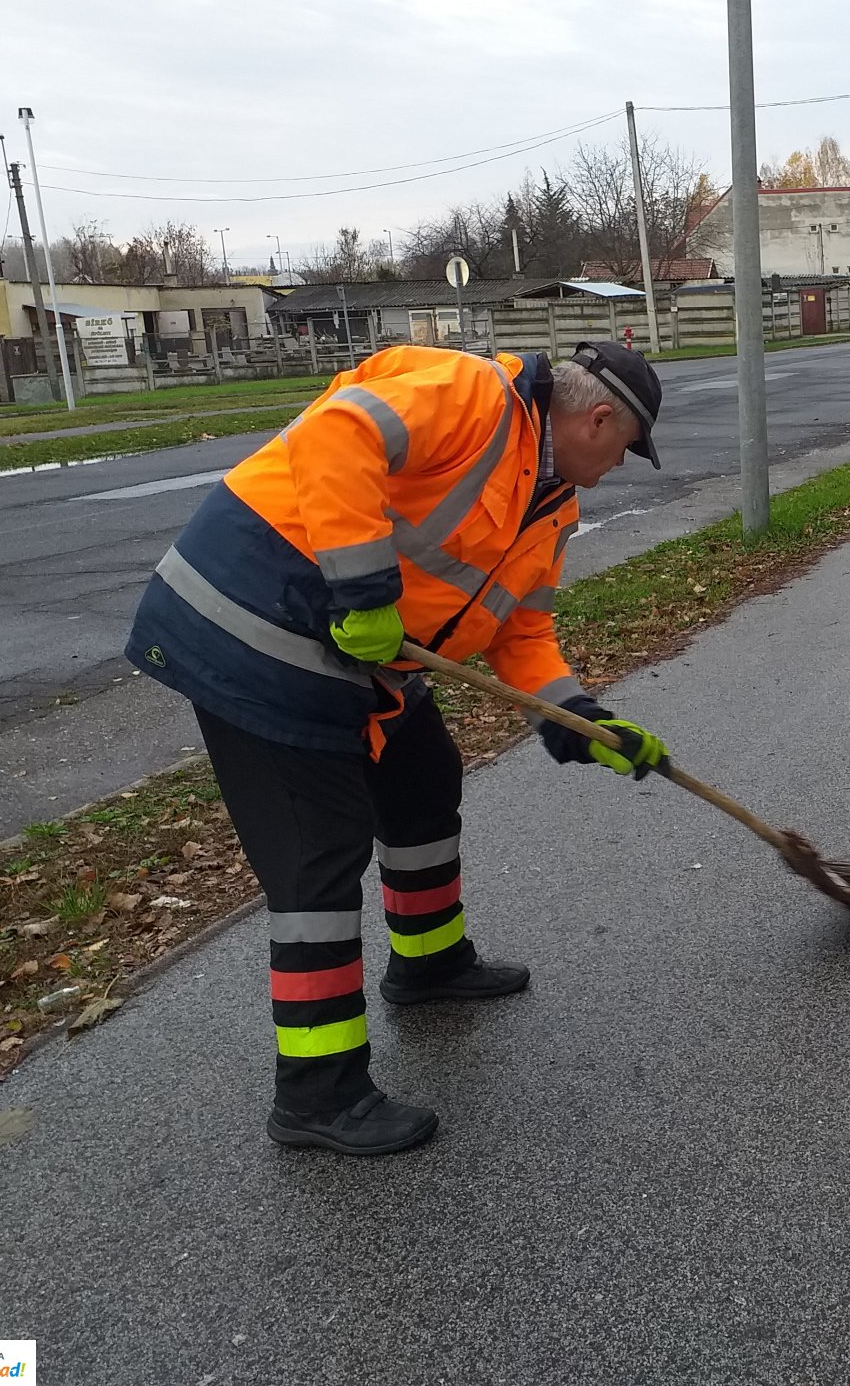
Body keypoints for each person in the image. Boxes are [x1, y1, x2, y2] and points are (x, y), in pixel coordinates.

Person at [124, 339, 668, 1155]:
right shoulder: (477, 397)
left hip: (363, 657)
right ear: (596, 420)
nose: (620, 465)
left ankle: (429, 964)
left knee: (423, 780)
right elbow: (337, 432)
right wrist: (365, 590)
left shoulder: (551, 505)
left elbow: (522, 635)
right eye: (627, 447)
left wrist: (583, 720)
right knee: (319, 850)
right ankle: (317, 1093)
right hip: (255, 629)